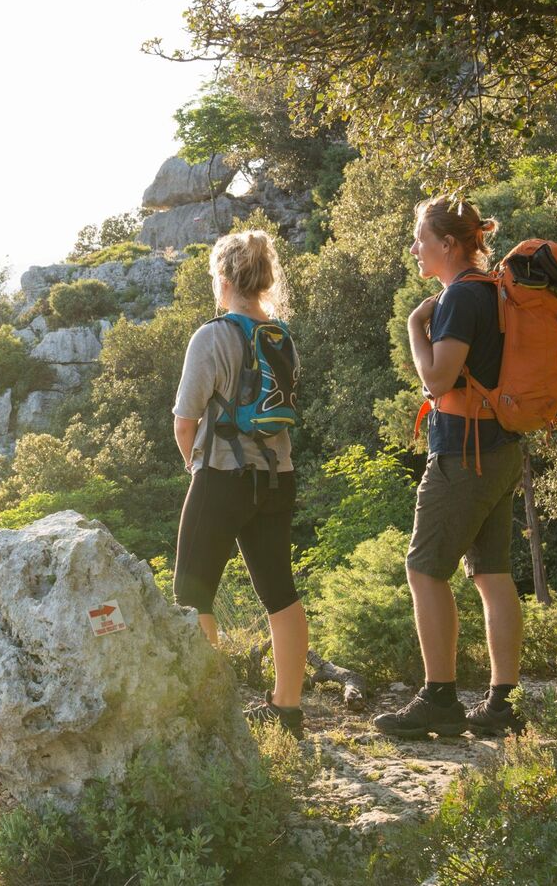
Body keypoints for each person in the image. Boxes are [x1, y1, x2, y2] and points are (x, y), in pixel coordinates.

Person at [373, 195, 527, 739]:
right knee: (492, 574)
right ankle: (501, 703)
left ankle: (439, 698)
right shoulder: (492, 292)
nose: (414, 248)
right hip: (503, 450)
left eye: (419, 239)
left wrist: (417, 324)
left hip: (465, 453)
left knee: (424, 569)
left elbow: (437, 380)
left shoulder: (461, 297)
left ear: (447, 244)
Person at [172, 229, 308, 739]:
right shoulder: (281, 336)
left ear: (224, 280)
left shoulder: (212, 336)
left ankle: (215, 714)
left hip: (223, 478)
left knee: (192, 593)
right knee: (280, 591)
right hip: (279, 477)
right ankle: (287, 711)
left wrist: (195, 467)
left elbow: (185, 420)